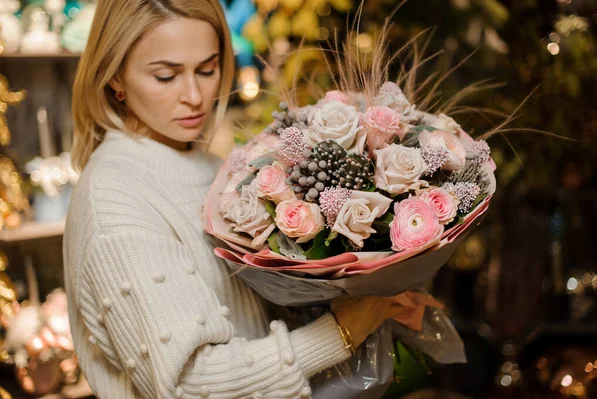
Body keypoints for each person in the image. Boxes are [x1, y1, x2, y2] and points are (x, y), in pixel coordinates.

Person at [64, 1, 404, 398]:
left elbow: (253, 316)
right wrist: (342, 330)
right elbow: (190, 385)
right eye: (165, 75)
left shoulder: (211, 166)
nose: (194, 96)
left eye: (207, 70)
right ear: (114, 78)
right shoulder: (113, 201)